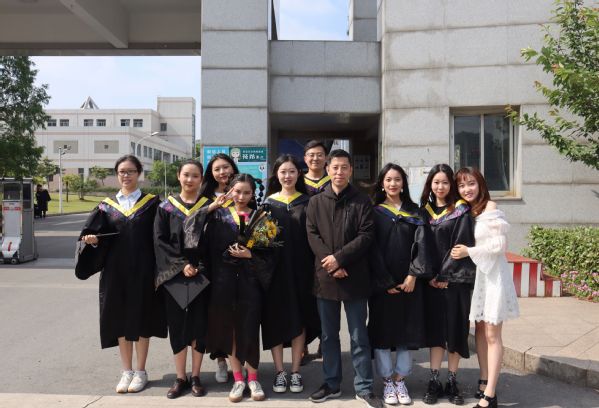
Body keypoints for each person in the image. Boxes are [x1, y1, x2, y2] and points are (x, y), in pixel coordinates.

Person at [75, 155, 166, 394]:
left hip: (144, 270)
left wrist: (160, 272)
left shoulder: (152, 204)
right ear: (117, 174)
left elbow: (161, 238)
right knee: (119, 319)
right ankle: (126, 371)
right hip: (115, 272)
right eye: (122, 172)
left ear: (139, 173)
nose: (126, 176)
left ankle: (141, 371)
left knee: (143, 319)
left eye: (130, 171)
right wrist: (93, 241)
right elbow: (93, 236)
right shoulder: (106, 206)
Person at [306, 149, 382, 408]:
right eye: (335, 167)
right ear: (328, 169)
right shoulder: (316, 202)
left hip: (355, 276)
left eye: (344, 167)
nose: (339, 172)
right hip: (325, 278)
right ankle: (332, 383)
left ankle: (364, 387)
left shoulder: (362, 201)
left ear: (351, 170)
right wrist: (331, 264)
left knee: (359, 336)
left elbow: (366, 235)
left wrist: (339, 259)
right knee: (329, 336)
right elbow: (312, 235)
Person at [154, 159, 224, 399]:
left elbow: (215, 241)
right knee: (177, 326)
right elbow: (160, 242)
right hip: (173, 275)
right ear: (178, 176)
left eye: (195, 176)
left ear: (201, 179)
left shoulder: (210, 207)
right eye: (186, 175)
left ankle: (195, 376)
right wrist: (182, 265)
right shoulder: (166, 207)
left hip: (202, 274)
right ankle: (180, 377)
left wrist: (199, 267)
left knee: (199, 325)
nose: (190, 180)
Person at [203, 174, 276, 403]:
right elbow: (196, 235)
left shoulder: (262, 217)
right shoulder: (218, 215)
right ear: (229, 191)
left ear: (253, 194)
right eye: (237, 191)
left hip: (250, 282)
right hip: (224, 281)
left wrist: (250, 255)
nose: (241, 196)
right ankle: (238, 379)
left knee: (250, 329)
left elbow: (271, 254)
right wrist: (212, 207)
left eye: (246, 192)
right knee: (231, 331)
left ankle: (253, 378)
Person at [450, 167, 520, 408]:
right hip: (480, 278)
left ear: (480, 184)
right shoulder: (469, 210)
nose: (466, 189)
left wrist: (469, 251)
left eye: (471, 183)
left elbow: (500, 245)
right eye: (461, 185)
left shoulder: (490, 207)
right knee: (479, 330)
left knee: (492, 334)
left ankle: (490, 395)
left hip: (494, 278)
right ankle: (483, 380)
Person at [368, 163, 433, 406]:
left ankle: (400, 379)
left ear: (403, 183)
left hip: (409, 283)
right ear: (382, 184)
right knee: (383, 332)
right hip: (382, 284)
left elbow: (422, 245)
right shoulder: (374, 212)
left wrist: (413, 275)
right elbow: (371, 249)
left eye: (397, 179)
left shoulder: (416, 212)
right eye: (388, 179)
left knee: (407, 332)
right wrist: (384, 281)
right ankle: (387, 380)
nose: (393, 183)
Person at [419, 163, 476, 405]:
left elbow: (460, 246)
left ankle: (452, 380)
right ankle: (434, 379)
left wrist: (444, 276)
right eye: (436, 182)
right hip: (431, 282)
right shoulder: (424, 212)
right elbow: (421, 247)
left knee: (455, 330)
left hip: (455, 282)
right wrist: (430, 276)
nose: (440, 186)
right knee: (435, 332)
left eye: (445, 182)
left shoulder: (461, 212)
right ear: (430, 185)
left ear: (451, 185)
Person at [263, 154, 320, 394]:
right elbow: (261, 240)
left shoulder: (309, 202)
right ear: (276, 175)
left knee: (300, 319)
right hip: (274, 272)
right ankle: (280, 372)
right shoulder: (268, 204)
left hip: (302, 271)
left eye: (292, 171)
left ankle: (295, 371)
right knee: (275, 319)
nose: (287, 176)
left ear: (299, 174)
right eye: (283, 171)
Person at [198, 152, 238, 381]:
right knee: (216, 314)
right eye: (217, 169)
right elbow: (193, 224)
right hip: (213, 264)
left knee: (237, 315)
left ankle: (238, 360)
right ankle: (220, 360)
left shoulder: (243, 190)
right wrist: (213, 206)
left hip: (239, 262)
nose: (222, 172)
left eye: (226, 167)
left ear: (233, 168)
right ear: (211, 174)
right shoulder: (205, 197)